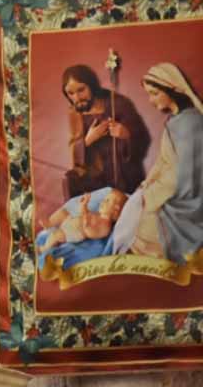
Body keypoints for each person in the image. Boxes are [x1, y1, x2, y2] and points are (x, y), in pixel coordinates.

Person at [112, 63, 203, 263]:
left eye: (155, 93)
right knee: (133, 214)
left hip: (189, 202)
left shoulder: (189, 124)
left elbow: (184, 175)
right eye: (149, 95)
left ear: (172, 89)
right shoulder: (175, 120)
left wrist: (151, 195)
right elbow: (163, 162)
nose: (151, 100)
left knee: (141, 226)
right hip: (171, 192)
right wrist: (146, 185)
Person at [61, 65, 149, 198]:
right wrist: (88, 140)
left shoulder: (118, 103)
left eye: (81, 90)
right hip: (94, 182)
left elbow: (143, 139)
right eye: (70, 93)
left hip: (123, 177)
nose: (77, 98)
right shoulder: (74, 113)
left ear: (92, 85)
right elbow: (75, 154)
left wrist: (126, 134)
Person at [40, 187, 128, 254]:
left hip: (76, 232)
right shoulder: (98, 214)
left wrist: (87, 227)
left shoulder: (105, 226)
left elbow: (93, 234)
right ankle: (50, 223)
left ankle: (45, 248)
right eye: (105, 199)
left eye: (107, 201)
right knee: (63, 213)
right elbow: (86, 213)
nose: (103, 201)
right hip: (72, 222)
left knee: (56, 235)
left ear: (115, 209)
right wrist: (84, 204)